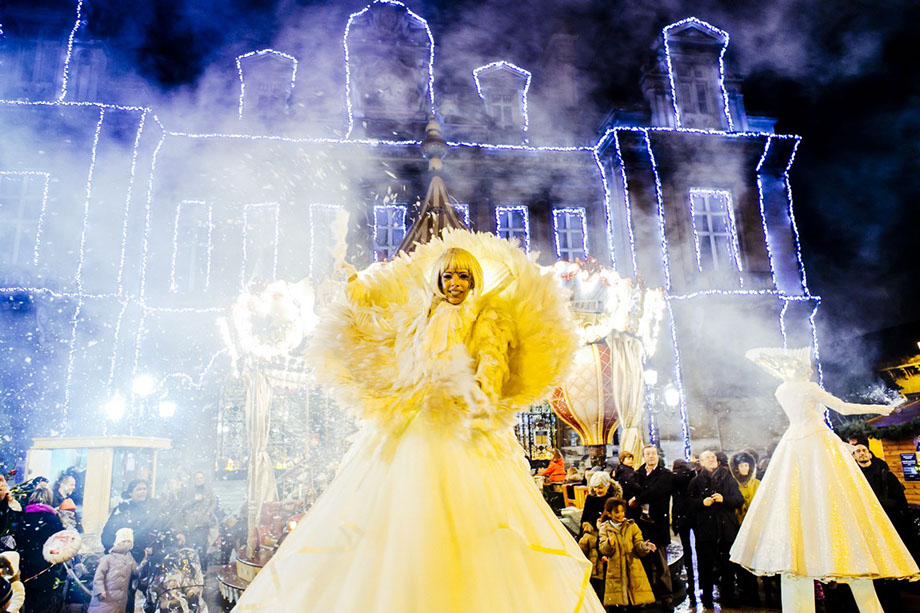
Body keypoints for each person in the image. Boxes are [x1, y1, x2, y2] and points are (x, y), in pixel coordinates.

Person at [232, 232, 605, 611]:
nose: (454, 284)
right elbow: (379, 326)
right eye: (447, 277)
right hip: (414, 423)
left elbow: (492, 368)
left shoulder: (486, 318)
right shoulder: (421, 315)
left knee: (472, 523)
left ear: (474, 280)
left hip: (461, 430)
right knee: (396, 520)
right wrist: (354, 287)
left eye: (462, 277)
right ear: (438, 281)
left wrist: (474, 394)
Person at [730, 347, 919, 613]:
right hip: (816, 442)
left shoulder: (781, 391)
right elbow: (842, 407)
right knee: (837, 498)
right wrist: (880, 408)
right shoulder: (808, 388)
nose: (809, 368)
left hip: (794, 444)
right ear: (798, 367)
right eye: (806, 365)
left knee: (795, 505)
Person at [687, 450, 743, 608]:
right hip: (707, 530)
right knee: (706, 565)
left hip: (726, 529)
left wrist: (724, 499)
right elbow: (689, 503)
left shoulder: (728, 478)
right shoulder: (696, 481)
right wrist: (701, 502)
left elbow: (738, 499)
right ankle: (707, 596)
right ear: (702, 463)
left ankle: (728, 596)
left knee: (727, 565)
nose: (711, 459)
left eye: (713, 457)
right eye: (707, 458)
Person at [630, 445, 673, 608]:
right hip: (642, 525)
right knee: (645, 562)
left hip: (658, 524)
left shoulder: (665, 474)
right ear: (643, 456)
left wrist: (637, 499)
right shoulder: (639, 473)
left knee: (661, 563)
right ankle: (648, 597)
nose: (651, 457)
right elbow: (630, 486)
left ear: (657, 456)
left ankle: (666, 598)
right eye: (648, 454)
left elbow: (656, 492)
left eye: (653, 454)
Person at [597, 498, 656, 609]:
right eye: (616, 512)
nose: (620, 514)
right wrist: (610, 544)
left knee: (635, 606)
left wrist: (644, 547)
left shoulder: (632, 526)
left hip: (633, 571)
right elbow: (603, 549)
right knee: (618, 608)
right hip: (615, 574)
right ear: (609, 513)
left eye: (622, 511)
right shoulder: (605, 528)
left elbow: (638, 546)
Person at [15, 486, 64, 613]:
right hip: (45, 567)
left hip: (26, 565)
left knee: (28, 599)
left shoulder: (24, 518)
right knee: (42, 602)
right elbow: (60, 541)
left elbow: (19, 540)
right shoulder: (52, 519)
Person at [88, 527, 148, 613]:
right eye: (124, 541)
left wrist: (144, 561)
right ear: (118, 543)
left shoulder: (130, 559)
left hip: (120, 600)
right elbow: (99, 576)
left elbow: (137, 571)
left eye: (129, 542)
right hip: (106, 597)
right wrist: (100, 591)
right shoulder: (108, 558)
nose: (126, 544)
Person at [730, 450, 760, 605]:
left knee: (752, 560)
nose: (745, 469)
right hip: (737, 527)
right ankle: (744, 591)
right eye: (742, 466)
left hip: (753, 528)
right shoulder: (732, 484)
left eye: (747, 465)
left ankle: (754, 593)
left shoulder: (757, 484)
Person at [670, 458, 697, 603]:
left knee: (686, 547)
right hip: (693, 514)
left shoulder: (673, 478)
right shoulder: (692, 475)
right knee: (698, 545)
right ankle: (698, 578)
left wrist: (674, 521)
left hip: (681, 515)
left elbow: (673, 500)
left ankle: (689, 573)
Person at [181, 471, 217, 571]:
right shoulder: (189, 491)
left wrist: (209, 512)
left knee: (203, 547)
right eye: (197, 478)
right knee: (190, 547)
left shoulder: (208, 490)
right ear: (194, 480)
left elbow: (214, 502)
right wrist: (195, 500)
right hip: (191, 523)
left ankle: (203, 570)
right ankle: (190, 569)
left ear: (204, 479)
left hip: (204, 523)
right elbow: (184, 505)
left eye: (201, 478)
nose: (199, 480)